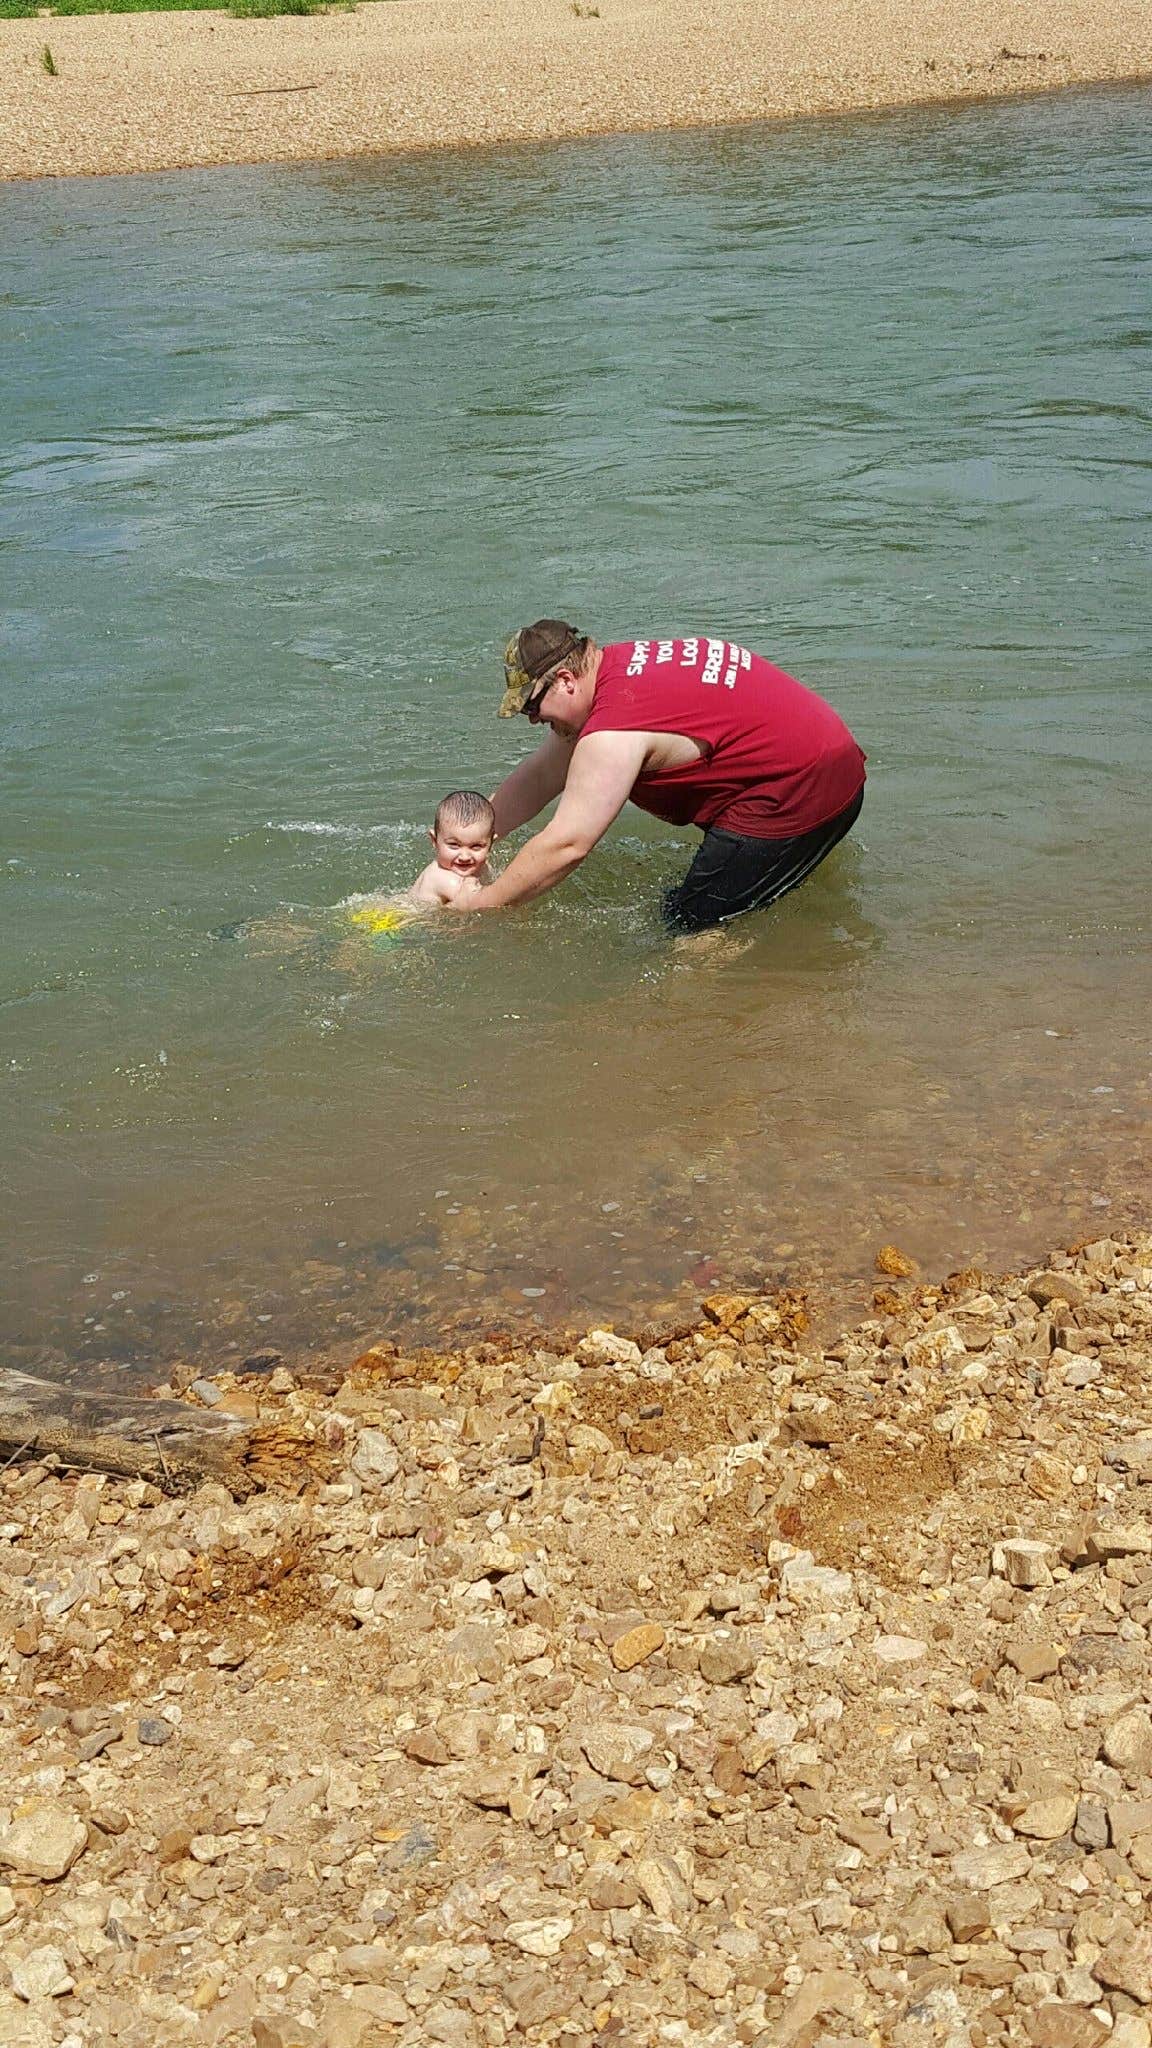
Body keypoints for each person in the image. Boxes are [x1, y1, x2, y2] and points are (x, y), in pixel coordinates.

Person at [449, 622, 866, 930]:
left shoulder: (613, 732)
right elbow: (539, 777)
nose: (533, 720)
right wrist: (468, 846)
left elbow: (567, 845)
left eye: (532, 707)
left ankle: (703, 1030)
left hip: (799, 795)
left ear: (565, 680)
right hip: (833, 763)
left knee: (687, 927)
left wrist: (480, 907)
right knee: (709, 898)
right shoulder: (616, 669)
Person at [405, 789, 497, 909]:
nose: (465, 857)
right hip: (400, 918)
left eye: (476, 846)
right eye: (454, 845)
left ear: (491, 844)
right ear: (434, 840)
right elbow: (477, 903)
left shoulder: (481, 865)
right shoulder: (445, 879)